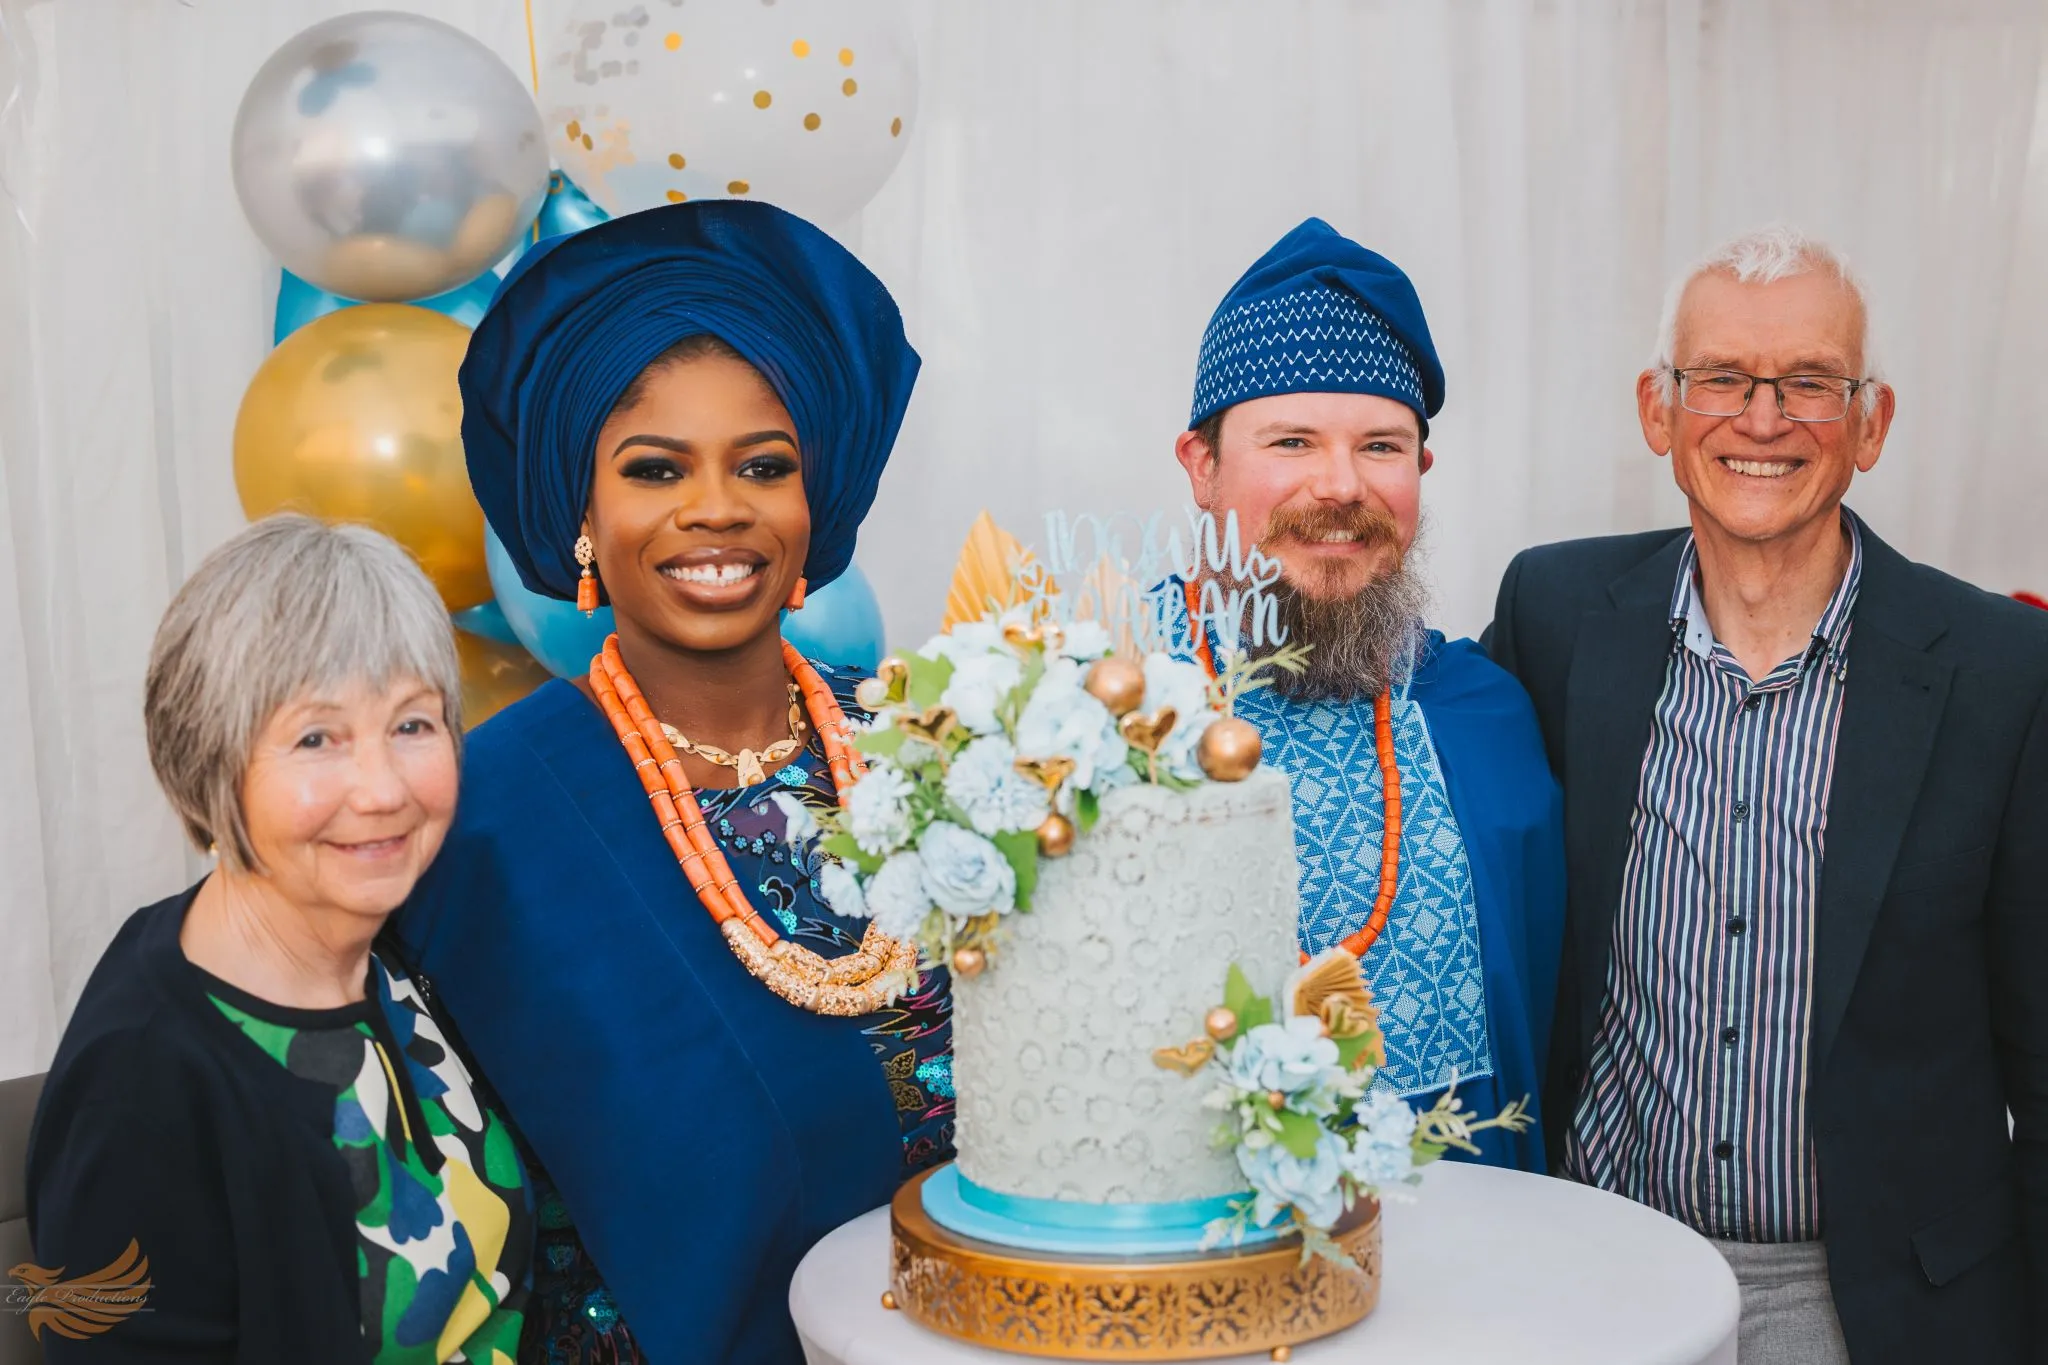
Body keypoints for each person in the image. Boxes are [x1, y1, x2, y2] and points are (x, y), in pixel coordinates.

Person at [394, 200, 952, 1365]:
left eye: (764, 466)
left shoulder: (934, 748)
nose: (716, 507)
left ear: (810, 512)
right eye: (655, 469)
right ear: (581, 516)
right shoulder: (484, 820)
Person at [1487, 226, 2048, 1363]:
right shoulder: (1554, 617)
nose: (1760, 418)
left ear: (1870, 424)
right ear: (1657, 410)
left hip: (1881, 1305)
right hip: (1598, 1270)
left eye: (1809, 382)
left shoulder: (2002, 671)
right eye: (1721, 379)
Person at [25, 514, 531, 1364]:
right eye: (316, 737)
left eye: (412, 724)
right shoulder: (141, 1080)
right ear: (209, 761)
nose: (382, 789)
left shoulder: (394, 942)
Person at [1167, 218, 1565, 1170]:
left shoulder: (1488, 718)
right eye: (1292, 441)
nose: (1340, 485)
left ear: (1420, 470)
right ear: (1202, 465)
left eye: (1381, 445)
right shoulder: (1098, 706)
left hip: (1477, 1244)